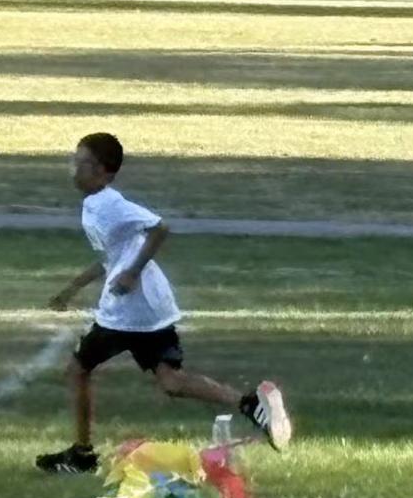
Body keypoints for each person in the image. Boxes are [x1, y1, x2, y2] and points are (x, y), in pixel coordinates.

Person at [36, 132, 291, 473]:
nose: (73, 168)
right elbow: (112, 257)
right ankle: (250, 404)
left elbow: (159, 228)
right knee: (171, 381)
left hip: (127, 312)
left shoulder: (110, 204)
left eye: (79, 162)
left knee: (77, 370)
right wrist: (71, 289)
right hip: (149, 308)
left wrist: (131, 273)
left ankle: (82, 455)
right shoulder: (96, 205)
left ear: (101, 170)